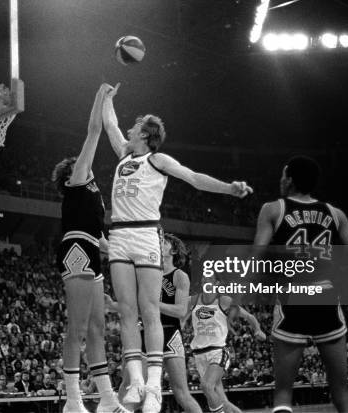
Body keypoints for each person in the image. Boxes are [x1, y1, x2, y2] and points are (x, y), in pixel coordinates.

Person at [101, 82, 253, 413]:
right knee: (128, 311)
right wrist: (105, 98)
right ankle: (137, 380)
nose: (129, 127)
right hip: (119, 234)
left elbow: (194, 178)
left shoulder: (158, 159)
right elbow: (109, 125)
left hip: (144, 234)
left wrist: (230, 188)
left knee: (149, 308)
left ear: (145, 134)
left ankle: (153, 384)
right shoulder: (125, 154)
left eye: (135, 126)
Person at [253, 155, 348, 413]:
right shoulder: (336, 214)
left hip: (292, 297)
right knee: (341, 395)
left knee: (283, 394)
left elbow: (256, 256)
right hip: (326, 298)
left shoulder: (273, 209)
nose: (281, 179)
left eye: (283, 175)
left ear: (290, 180)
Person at [52, 84, 128, 413]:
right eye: (79, 162)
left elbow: (102, 239)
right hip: (76, 251)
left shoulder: (93, 193)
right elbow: (94, 130)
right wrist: (101, 96)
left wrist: (130, 253)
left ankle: (108, 399)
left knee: (98, 329)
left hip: (91, 249)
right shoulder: (77, 179)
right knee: (78, 328)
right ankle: (72, 399)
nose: (85, 163)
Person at [106, 233, 203, 413]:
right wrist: (112, 305)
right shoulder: (147, 274)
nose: (159, 243)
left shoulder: (179, 276)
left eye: (163, 242)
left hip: (170, 334)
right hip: (145, 333)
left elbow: (181, 311)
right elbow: (133, 307)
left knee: (181, 393)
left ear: (173, 250)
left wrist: (151, 303)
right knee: (130, 389)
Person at [187, 276, 266, 413]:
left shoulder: (224, 301)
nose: (205, 283)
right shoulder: (193, 300)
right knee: (222, 401)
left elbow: (250, 317)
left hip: (218, 352)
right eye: (203, 281)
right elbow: (179, 314)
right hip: (199, 355)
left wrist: (258, 329)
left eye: (209, 281)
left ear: (216, 283)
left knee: (206, 386)